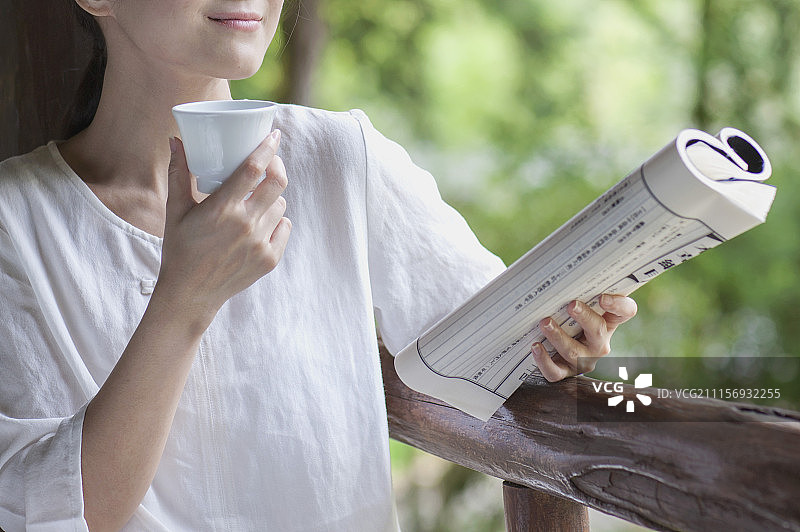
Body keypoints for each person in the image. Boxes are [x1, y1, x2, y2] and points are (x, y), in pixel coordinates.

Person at [0, 1, 637, 531]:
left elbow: (506, 344)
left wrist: (563, 339)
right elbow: (55, 511)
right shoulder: (16, 223)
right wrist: (184, 302)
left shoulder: (340, 161)